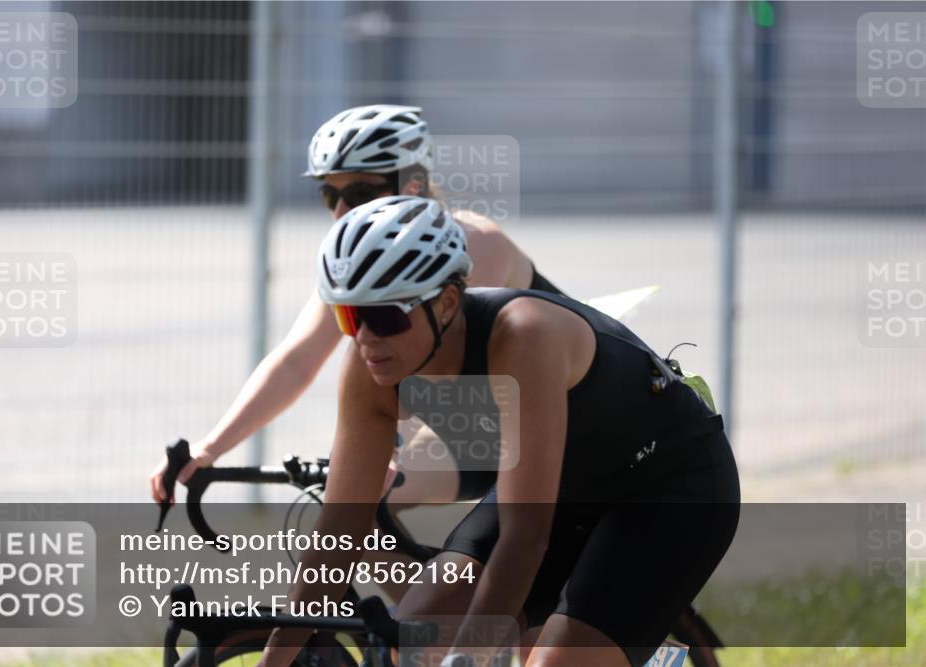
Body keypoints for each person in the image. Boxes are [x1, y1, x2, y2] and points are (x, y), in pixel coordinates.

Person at [258, 196, 740, 667]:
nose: (365, 337)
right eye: (350, 315)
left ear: (447, 303)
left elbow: (525, 533)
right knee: (415, 635)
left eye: (385, 315)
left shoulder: (522, 337)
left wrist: (471, 653)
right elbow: (340, 532)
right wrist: (276, 657)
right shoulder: (369, 367)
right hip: (566, 491)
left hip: (666, 488)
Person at [150, 104, 565, 509]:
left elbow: (443, 368)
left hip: (552, 415)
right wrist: (211, 446)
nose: (342, 211)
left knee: (372, 500)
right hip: (477, 419)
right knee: (352, 510)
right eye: (330, 195)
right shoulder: (357, 259)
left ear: (412, 185)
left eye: (360, 192)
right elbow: (297, 360)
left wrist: (394, 448)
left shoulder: (473, 244)